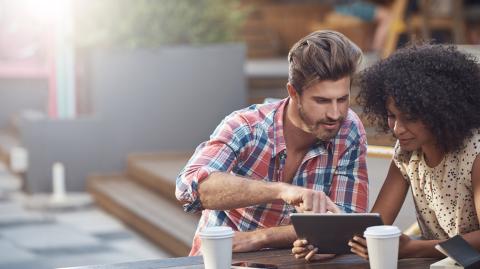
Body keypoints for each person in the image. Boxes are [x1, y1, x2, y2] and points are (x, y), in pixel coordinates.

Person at [175, 30, 369, 256]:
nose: (335, 113)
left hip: (291, 262)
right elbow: (190, 187)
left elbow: (347, 221)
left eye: (342, 99)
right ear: (293, 93)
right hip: (225, 260)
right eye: (322, 101)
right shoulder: (246, 127)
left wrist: (261, 237)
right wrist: (281, 191)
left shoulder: (348, 130)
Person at [292, 44, 480, 261]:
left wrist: (415, 248)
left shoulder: (474, 152)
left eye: (409, 118)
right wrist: (326, 245)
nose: (397, 128)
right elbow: (375, 226)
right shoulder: (407, 153)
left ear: (441, 112)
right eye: (391, 116)